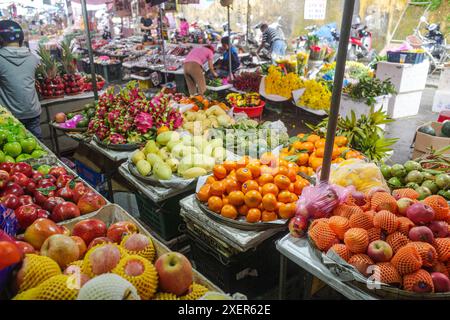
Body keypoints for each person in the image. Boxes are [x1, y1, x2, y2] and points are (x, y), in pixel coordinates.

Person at [0, 20, 42, 139]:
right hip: (33, 112)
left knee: (16, 151)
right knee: (40, 147)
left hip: (9, 117)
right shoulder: (32, 57)